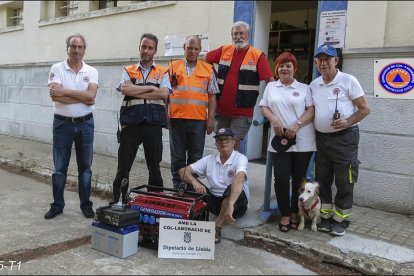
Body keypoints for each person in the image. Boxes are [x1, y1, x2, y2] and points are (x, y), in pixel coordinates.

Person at [310, 44, 370, 236]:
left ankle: (341, 219)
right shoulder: (314, 84)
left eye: (328, 59)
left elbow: (364, 109)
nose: (324, 63)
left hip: (345, 139)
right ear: (316, 63)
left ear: (336, 60)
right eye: (320, 60)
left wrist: (347, 121)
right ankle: (326, 216)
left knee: (345, 180)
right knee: (323, 179)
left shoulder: (348, 80)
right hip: (322, 140)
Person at [259, 51, 316, 232]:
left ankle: (294, 212)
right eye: (281, 65)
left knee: (299, 180)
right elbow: (264, 106)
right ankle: (284, 213)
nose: (284, 68)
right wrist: (274, 120)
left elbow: (311, 110)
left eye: (288, 65)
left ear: (295, 69)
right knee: (281, 178)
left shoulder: (305, 88)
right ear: (277, 68)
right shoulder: (271, 87)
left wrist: (297, 125)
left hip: (303, 141)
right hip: (279, 141)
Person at [111, 33, 171, 204]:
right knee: (123, 167)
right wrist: (152, 89)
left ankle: (155, 203)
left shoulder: (163, 71)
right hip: (131, 124)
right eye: (144, 46)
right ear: (139, 47)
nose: (146, 50)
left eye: (150, 48)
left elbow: (165, 93)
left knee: (154, 168)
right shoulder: (128, 70)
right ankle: (119, 201)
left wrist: (138, 88)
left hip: (153, 125)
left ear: (155, 51)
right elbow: (125, 90)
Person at [45, 33, 98, 219]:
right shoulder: (57, 68)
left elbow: (91, 97)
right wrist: (81, 96)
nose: (76, 50)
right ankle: (57, 206)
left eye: (80, 47)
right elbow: (54, 96)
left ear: (84, 49)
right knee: (60, 168)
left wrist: (65, 92)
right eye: (73, 46)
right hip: (62, 124)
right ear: (67, 47)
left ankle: (86, 205)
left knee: (85, 168)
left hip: (85, 124)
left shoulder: (91, 71)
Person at [205, 21, 274, 152]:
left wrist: (275, 102)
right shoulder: (224, 50)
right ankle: (225, 172)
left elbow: (269, 80)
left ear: (247, 34)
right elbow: (205, 58)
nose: (238, 36)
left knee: (233, 144)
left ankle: (239, 172)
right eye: (235, 33)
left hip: (242, 113)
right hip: (221, 111)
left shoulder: (257, 55)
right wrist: (211, 75)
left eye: (241, 33)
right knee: (221, 144)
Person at [178, 128, 249, 244]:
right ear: (216, 144)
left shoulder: (241, 158)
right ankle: (192, 221)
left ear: (233, 142)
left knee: (232, 187)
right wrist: (194, 182)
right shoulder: (209, 159)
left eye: (227, 139)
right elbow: (182, 171)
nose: (223, 142)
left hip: (236, 205)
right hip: (215, 203)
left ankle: (217, 226)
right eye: (220, 140)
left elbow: (240, 178)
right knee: (189, 184)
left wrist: (231, 204)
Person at [168, 35, 219, 189]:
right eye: (189, 48)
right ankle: (178, 187)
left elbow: (212, 96)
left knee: (195, 158)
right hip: (176, 119)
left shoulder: (208, 69)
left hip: (198, 121)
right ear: (184, 48)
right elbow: (165, 94)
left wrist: (211, 119)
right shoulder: (172, 67)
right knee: (177, 157)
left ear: (200, 50)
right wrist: (166, 115)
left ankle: (191, 188)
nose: (192, 51)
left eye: (196, 49)